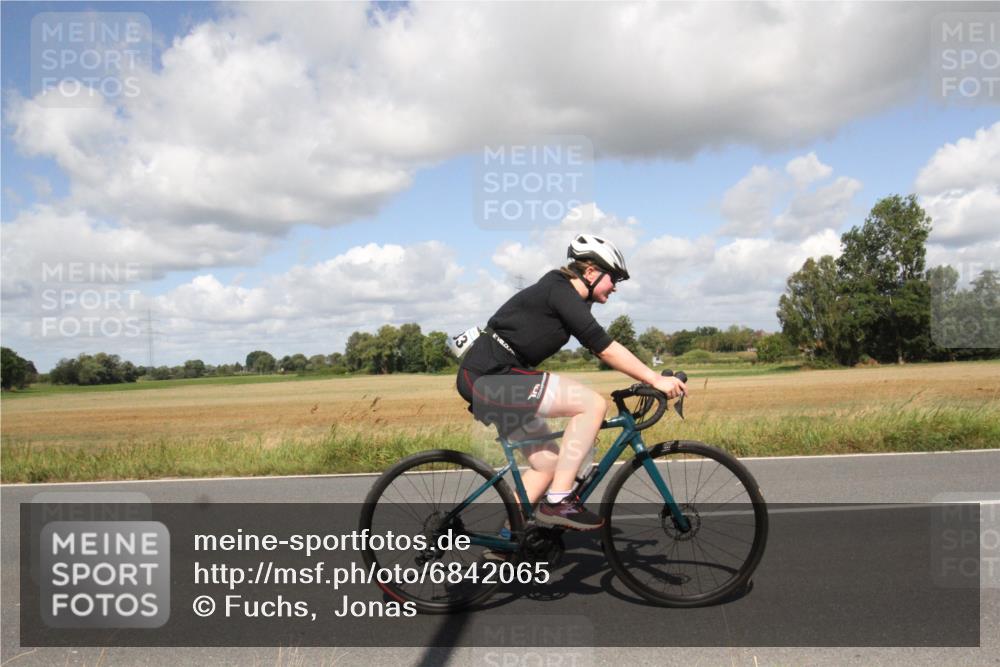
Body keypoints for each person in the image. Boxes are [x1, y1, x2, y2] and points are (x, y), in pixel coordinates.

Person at [455, 233, 686, 531]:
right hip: (488, 378)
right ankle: (559, 501)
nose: (615, 286)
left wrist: (653, 376)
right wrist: (653, 377)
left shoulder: (568, 296)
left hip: (498, 376)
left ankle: (506, 542)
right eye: (612, 278)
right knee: (591, 404)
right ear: (590, 272)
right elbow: (603, 347)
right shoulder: (558, 289)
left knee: (548, 466)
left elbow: (601, 347)